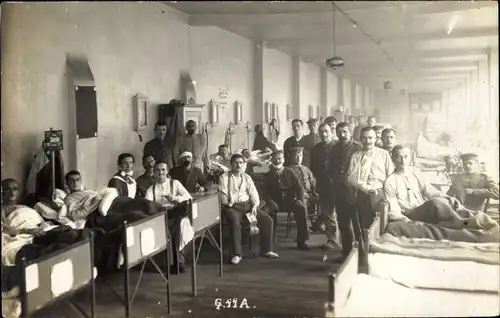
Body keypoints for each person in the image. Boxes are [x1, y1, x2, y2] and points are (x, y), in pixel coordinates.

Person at [384, 146, 470, 225]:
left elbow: (430, 191)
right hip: (410, 214)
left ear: (410, 158)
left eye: (406, 157)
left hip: (423, 209)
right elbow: (393, 209)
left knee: (448, 202)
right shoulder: (390, 181)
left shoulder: (415, 172)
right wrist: (408, 221)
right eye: (399, 157)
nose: (403, 161)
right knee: (435, 203)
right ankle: (461, 223)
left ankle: (470, 217)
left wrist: (447, 197)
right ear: (393, 159)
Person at [219, 153, 279, 265]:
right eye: (236, 162)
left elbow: (254, 195)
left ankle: (267, 250)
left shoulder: (247, 177)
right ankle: (237, 254)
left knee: (267, 220)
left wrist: (255, 207)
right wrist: (230, 203)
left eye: (241, 163)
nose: (238, 165)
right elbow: (223, 197)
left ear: (244, 164)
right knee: (234, 221)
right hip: (233, 207)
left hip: (248, 206)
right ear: (231, 164)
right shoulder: (224, 177)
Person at [145, 161, 193, 273]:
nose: (160, 173)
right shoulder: (150, 190)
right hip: (159, 216)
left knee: (176, 227)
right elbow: (147, 206)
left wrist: (175, 198)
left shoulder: (175, 183)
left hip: (175, 212)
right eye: (157, 170)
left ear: (167, 171)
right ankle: (173, 262)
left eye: (163, 170)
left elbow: (188, 197)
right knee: (166, 228)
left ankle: (178, 262)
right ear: (153, 172)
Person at [346, 127, 394, 230]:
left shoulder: (384, 154)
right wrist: (364, 188)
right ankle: (365, 245)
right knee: (365, 226)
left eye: (370, 138)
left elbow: (391, 176)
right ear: (360, 139)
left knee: (382, 225)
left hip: (381, 193)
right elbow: (350, 178)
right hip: (363, 195)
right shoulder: (356, 156)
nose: (368, 141)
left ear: (376, 139)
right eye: (364, 138)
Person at [328, 122, 363, 260]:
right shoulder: (334, 148)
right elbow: (330, 168)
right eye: (340, 132)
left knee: (357, 222)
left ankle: (362, 252)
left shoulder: (358, 148)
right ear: (336, 133)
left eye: (345, 132)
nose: (342, 135)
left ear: (350, 132)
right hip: (339, 190)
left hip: (355, 191)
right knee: (343, 222)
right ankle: (347, 251)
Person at [263, 150, 310, 250]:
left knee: (301, 208)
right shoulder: (267, 173)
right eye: (275, 157)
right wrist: (269, 201)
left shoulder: (290, 172)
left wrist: (299, 199)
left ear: (284, 159)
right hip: (274, 202)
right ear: (272, 159)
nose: (278, 159)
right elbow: (264, 192)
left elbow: (299, 188)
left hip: (289, 201)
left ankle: (302, 240)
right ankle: (268, 242)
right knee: (265, 212)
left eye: (280, 157)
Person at [310, 123, 340, 249]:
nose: (324, 134)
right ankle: (331, 239)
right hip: (323, 185)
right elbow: (313, 169)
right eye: (321, 132)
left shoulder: (338, 147)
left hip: (339, 185)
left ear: (332, 132)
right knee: (328, 213)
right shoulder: (315, 149)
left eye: (326, 131)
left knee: (340, 215)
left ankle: (347, 240)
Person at [287, 147, 319, 214]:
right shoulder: (288, 170)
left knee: (324, 201)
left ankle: (319, 222)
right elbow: (289, 186)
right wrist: (301, 193)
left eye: (300, 155)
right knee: (302, 202)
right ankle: (305, 223)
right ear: (291, 156)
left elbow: (313, 182)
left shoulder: (306, 169)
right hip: (297, 195)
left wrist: (315, 191)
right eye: (297, 156)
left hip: (310, 194)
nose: (299, 158)